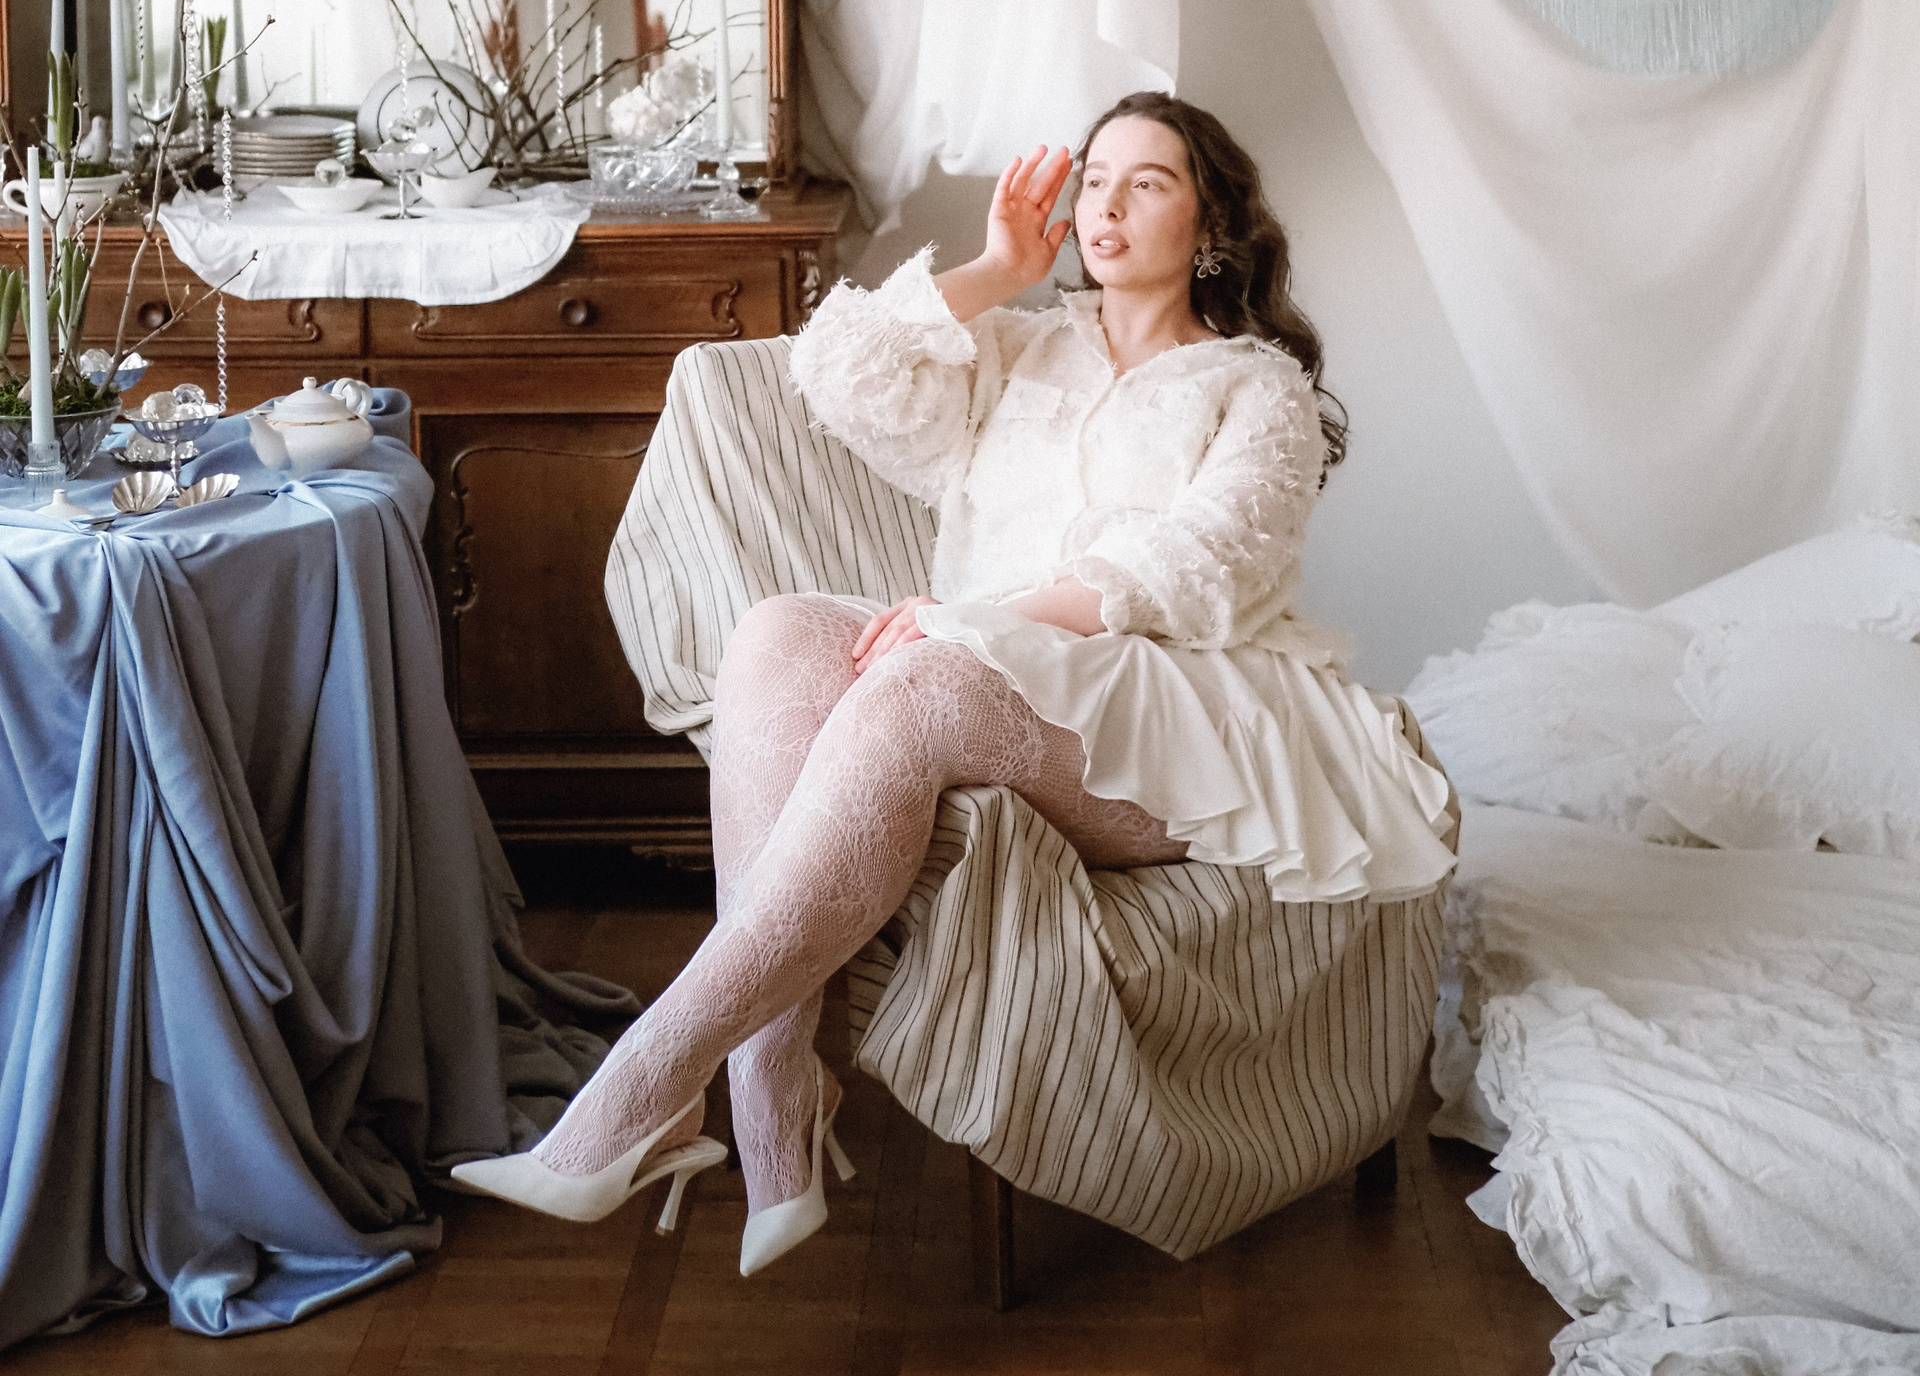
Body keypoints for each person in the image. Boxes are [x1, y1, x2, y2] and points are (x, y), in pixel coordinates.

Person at [454, 92, 1453, 1271]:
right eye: (1095, 180)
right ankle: (773, 1094)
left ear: (1213, 223)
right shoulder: (1021, 347)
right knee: (776, 631)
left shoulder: (1257, 388)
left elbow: (1203, 568)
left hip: (1176, 720)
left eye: (1148, 183)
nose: (1108, 205)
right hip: (984, 662)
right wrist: (991, 271)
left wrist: (980, 621)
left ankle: (639, 1090)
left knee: (920, 680)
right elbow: (835, 370)